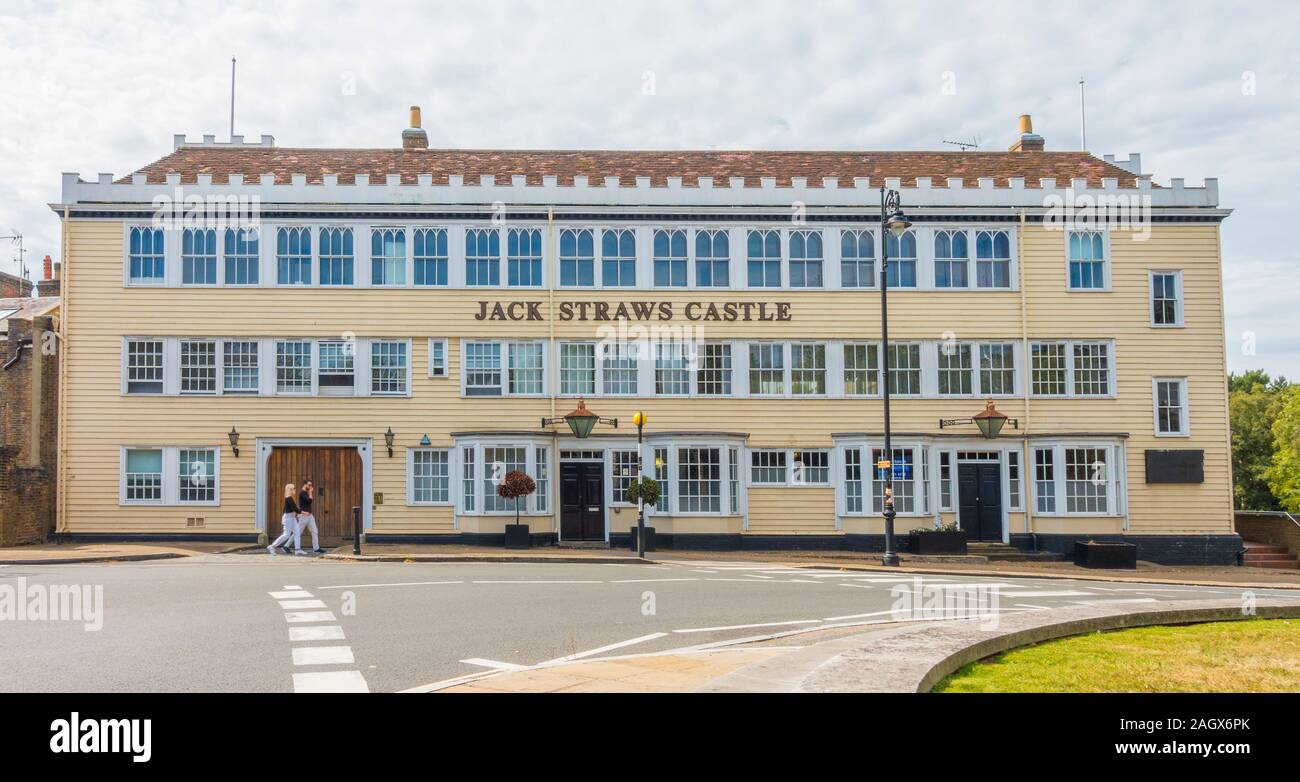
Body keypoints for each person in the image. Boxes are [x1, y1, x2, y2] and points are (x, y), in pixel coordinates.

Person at [268, 483, 300, 555]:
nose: (295, 489)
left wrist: (296, 515)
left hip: (292, 518)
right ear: (290, 489)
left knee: (297, 532)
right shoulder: (289, 498)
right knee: (286, 535)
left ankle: (298, 549)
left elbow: (286, 509)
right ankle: (272, 546)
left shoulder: (291, 498)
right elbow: (294, 509)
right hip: (288, 518)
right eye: (294, 488)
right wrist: (302, 511)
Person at [296, 478, 323, 554]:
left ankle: (316, 548)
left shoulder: (306, 492)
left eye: (311, 485)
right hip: (303, 515)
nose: (311, 486)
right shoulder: (302, 493)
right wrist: (310, 493)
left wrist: (310, 493)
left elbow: (309, 502)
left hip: (310, 515)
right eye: (309, 485)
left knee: (314, 531)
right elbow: (309, 501)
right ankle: (286, 545)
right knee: (298, 532)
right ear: (305, 485)